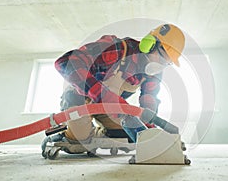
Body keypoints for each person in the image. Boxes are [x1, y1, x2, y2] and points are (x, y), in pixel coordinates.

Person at [53, 23, 185, 143]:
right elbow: (65, 62)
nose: (161, 65)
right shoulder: (117, 49)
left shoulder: (153, 71)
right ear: (149, 44)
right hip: (79, 99)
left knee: (128, 135)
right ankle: (65, 132)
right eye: (162, 57)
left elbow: (149, 99)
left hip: (110, 107)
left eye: (167, 63)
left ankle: (95, 133)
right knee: (79, 140)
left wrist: (150, 130)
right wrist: (104, 95)